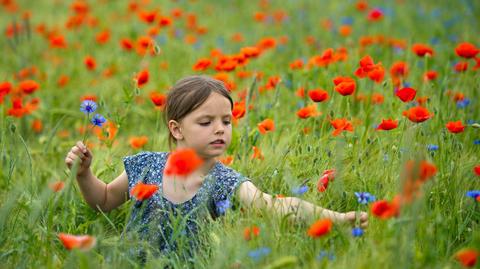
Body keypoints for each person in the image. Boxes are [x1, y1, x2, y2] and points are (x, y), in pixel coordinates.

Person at [65, 75, 368, 261]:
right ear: (177, 129)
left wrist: (336, 218)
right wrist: (84, 175)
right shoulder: (146, 165)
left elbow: (274, 206)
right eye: (206, 122)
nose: (220, 129)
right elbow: (102, 201)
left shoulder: (222, 180)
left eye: (226, 121)